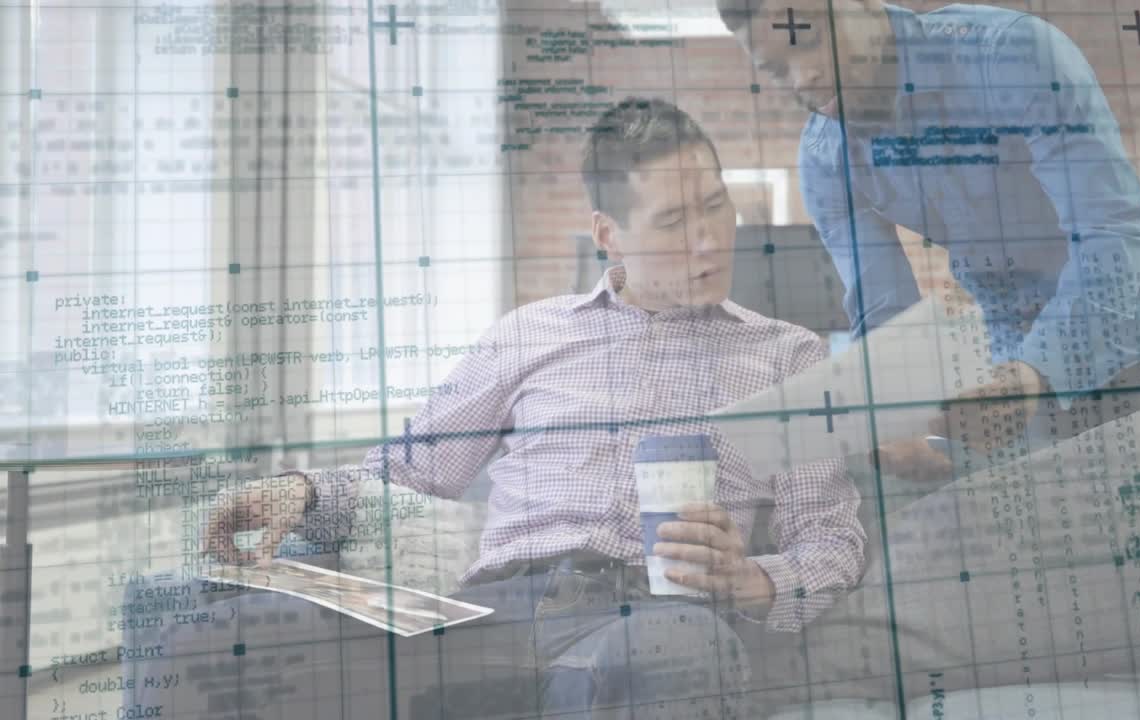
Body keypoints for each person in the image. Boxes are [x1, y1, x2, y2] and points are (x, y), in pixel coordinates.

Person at [126, 97, 865, 720]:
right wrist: (302, 491)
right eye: (673, 222)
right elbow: (411, 469)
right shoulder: (528, 334)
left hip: (654, 617)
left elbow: (830, 541)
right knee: (225, 636)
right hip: (495, 613)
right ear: (610, 235)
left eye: (715, 206)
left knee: (666, 653)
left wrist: (752, 582)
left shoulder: (787, 357)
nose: (708, 240)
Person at [718, 0, 1140, 478]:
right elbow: (884, 308)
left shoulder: (1011, 54)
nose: (804, 78)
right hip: (1008, 319)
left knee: (1109, 489)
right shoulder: (826, 155)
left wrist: (1037, 372)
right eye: (776, 68)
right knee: (1016, 488)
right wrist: (891, 415)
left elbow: (1108, 234)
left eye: (811, 40)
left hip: (1129, 302)